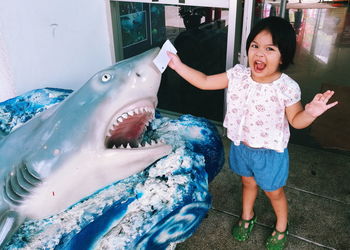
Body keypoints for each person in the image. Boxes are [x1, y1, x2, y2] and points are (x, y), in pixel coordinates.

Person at [167, 16, 338, 250]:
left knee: (273, 192)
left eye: (270, 49)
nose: (259, 54)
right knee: (247, 183)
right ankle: (247, 216)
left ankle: (281, 225)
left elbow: (297, 122)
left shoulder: (286, 88)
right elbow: (205, 81)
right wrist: (177, 65)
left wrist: (312, 112)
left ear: (283, 56)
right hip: (241, 146)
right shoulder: (238, 76)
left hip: (270, 154)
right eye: (255, 46)